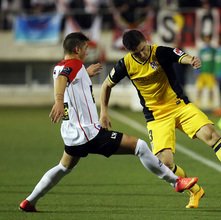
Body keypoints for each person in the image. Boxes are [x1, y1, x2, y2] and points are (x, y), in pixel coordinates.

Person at [19, 32, 199, 212]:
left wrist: (84, 74)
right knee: (140, 146)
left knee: (63, 167)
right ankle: (176, 182)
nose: (87, 52)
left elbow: (66, 79)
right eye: (85, 49)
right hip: (89, 133)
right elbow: (62, 80)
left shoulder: (59, 66)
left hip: (71, 134)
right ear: (77, 49)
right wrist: (58, 100)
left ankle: (30, 201)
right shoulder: (74, 65)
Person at [100, 29, 221, 209]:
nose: (142, 54)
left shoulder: (160, 52)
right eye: (136, 53)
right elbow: (106, 85)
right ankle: (195, 190)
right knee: (164, 164)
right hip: (156, 116)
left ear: (146, 40)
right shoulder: (124, 65)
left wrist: (192, 60)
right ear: (128, 52)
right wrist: (103, 112)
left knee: (212, 136)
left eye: (143, 49)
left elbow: (181, 56)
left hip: (180, 106)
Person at [194, 33, 216, 108]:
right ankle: (198, 103)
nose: (207, 40)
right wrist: (197, 71)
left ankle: (211, 103)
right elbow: (198, 61)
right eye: (205, 39)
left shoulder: (213, 50)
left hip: (210, 72)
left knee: (211, 89)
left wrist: (215, 72)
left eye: (208, 39)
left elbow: (215, 62)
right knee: (199, 88)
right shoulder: (202, 51)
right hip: (202, 72)